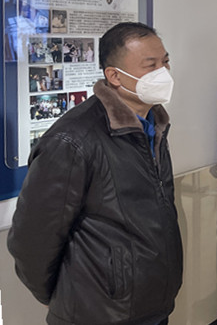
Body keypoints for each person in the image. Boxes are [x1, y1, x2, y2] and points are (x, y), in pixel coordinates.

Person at [8, 22, 182, 325]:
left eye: (165, 62)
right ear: (114, 76)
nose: (163, 73)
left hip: (152, 307)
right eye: (150, 65)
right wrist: (67, 299)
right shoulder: (73, 140)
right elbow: (31, 241)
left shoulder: (153, 126)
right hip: (96, 314)